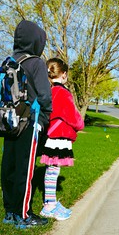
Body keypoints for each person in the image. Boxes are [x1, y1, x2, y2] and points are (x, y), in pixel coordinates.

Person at [1, 20, 52, 229]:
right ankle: (24, 215)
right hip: (29, 123)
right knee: (26, 169)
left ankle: (10, 212)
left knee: (9, 166)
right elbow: (45, 97)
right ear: (36, 41)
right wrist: (44, 119)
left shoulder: (9, 61)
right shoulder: (36, 63)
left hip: (8, 122)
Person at [39, 58, 84, 220]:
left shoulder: (48, 91)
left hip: (52, 134)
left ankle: (51, 202)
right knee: (53, 171)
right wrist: (80, 124)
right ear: (64, 74)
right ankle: (49, 206)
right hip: (59, 136)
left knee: (52, 169)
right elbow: (71, 115)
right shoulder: (63, 93)